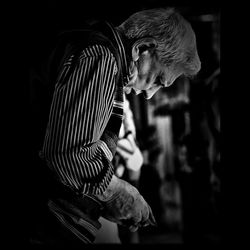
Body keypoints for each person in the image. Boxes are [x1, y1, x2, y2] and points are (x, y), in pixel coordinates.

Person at [31, 7, 201, 246]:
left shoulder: (99, 54)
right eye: (158, 80)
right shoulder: (100, 57)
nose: (150, 95)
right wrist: (114, 192)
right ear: (142, 49)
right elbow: (68, 154)